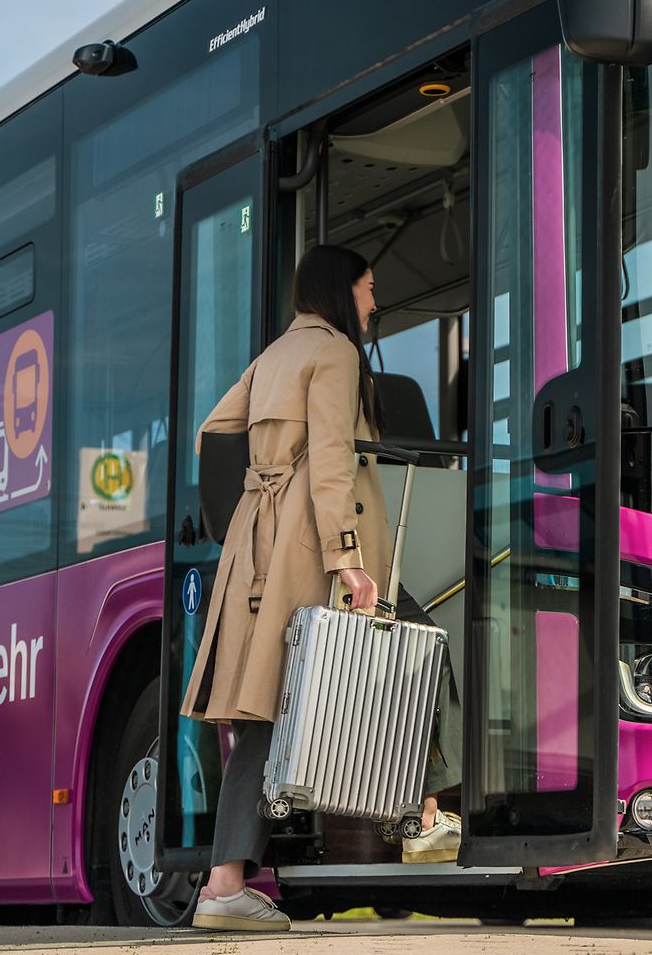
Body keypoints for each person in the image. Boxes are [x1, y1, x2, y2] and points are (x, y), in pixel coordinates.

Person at [181, 244, 459, 932]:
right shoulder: (334, 353)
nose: (373, 302)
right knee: (418, 650)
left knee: (263, 716)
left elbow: (211, 434)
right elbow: (333, 460)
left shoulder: (273, 355)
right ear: (342, 291)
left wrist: (249, 506)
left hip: (261, 551)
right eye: (367, 289)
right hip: (315, 553)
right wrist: (348, 560)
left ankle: (222, 885)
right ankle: (422, 814)